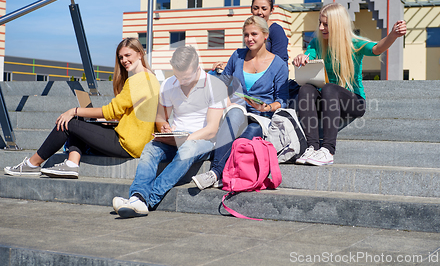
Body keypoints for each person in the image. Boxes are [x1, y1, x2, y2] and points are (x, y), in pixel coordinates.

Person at [4, 38, 160, 178]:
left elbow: (111, 110)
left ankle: (32, 164)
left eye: (128, 55)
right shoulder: (150, 78)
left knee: (70, 122)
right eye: (121, 57)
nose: (124, 60)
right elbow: (125, 113)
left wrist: (74, 110)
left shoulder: (138, 80)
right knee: (81, 122)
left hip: (128, 144)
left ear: (140, 54)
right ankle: (71, 164)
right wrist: (103, 120)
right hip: (135, 141)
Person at [113, 45, 227, 218]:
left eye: (186, 77)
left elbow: (211, 130)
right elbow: (160, 117)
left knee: (187, 149)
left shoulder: (214, 86)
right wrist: (163, 127)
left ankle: (148, 200)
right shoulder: (169, 83)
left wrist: (186, 139)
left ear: (198, 68)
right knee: (151, 148)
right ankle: (138, 196)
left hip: (202, 140)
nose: (181, 81)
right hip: (177, 136)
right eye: (178, 76)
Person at [293, 2, 407, 166]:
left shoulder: (354, 43)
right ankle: (312, 146)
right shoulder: (316, 43)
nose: (321, 27)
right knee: (306, 89)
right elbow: (309, 55)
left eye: (326, 24)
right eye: (320, 23)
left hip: (353, 101)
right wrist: (302, 58)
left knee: (330, 89)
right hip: (326, 100)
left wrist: (393, 35)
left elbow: (376, 49)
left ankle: (328, 150)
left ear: (338, 25)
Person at [191, 15, 288, 190]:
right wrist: (227, 101)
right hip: (236, 110)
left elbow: (283, 100)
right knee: (235, 113)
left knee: (251, 131)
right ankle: (215, 173)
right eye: (246, 35)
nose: (249, 39)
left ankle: (222, 172)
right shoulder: (237, 55)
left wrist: (268, 107)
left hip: (261, 117)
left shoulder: (279, 65)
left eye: (254, 34)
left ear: (265, 35)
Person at [211, 0, 289, 75]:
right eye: (256, 8)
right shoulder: (249, 29)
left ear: (271, 10)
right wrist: (229, 66)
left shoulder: (276, 31)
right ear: (251, 9)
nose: (259, 12)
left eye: (264, 9)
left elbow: (280, 62)